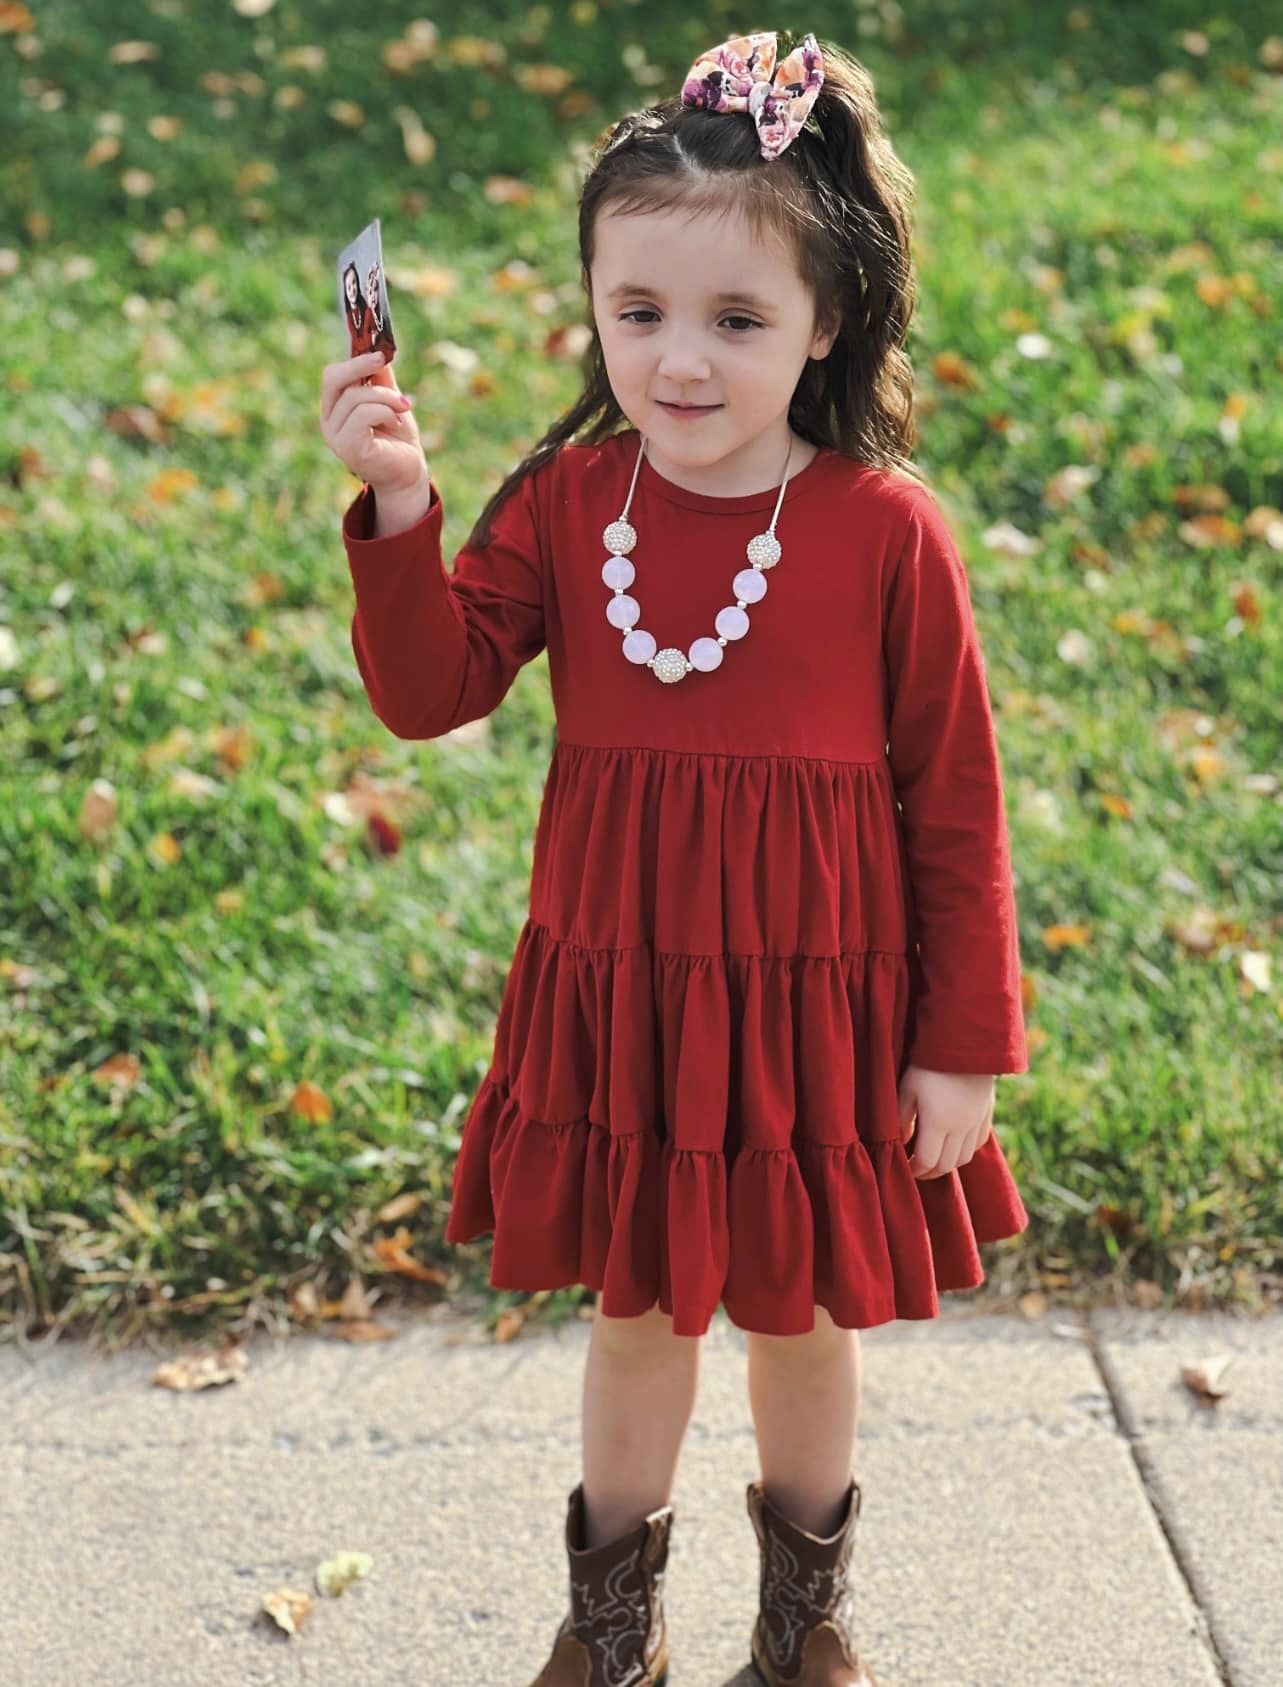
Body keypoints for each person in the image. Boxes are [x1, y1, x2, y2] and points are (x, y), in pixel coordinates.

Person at [319, 28, 1030, 1687]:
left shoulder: (882, 530)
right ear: (593, 307)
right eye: (637, 313)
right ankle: (611, 1629)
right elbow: (430, 691)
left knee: (799, 1317)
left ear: (825, 324)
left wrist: (963, 1042)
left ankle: (804, 1631)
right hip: (627, 990)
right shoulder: (572, 504)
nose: (681, 362)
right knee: (633, 1312)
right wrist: (402, 510)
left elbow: (957, 802)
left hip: (815, 1013)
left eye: (736, 320)